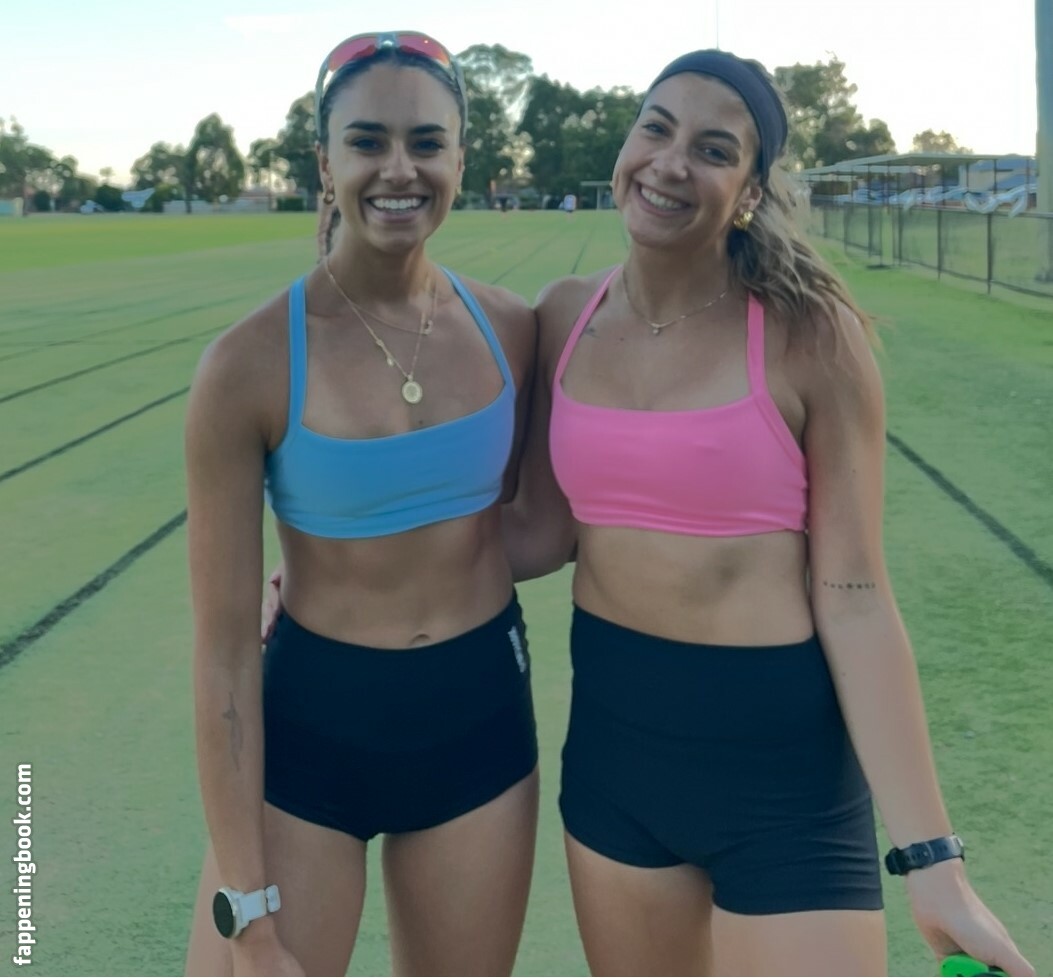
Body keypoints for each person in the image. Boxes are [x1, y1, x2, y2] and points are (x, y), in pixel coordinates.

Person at [505, 49, 1035, 976]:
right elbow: (538, 532)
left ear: (749, 190)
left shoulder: (808, 335)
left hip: (783, 781)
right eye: (656, 128)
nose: (671, 162)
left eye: (713, 150)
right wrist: (318, 570)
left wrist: (934, 862)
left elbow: (855, 595)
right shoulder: (563, 318)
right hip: (616, 763)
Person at [184, 31, 539, 977]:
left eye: (426, 142)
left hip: (477, 723)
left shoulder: (512, 329)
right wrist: (248, 913)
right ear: (323, 163)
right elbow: (222, 656)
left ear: (461, 159)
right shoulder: (248, 364)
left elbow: (538, 525)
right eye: (367, 141)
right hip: (310, 731)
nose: (398, 169)